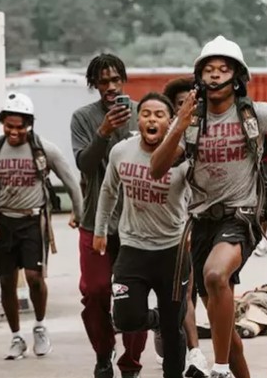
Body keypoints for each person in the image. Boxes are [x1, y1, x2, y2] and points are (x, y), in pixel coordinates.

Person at [150, 35, 267, 378]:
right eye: (208, 69)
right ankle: (233, 366)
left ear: (237, 76)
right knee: (228, 332)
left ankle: (220, 369)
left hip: (241, 215)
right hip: (201, 221)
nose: (214, 75)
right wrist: (178, 124)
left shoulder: (253, 114)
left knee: (214, 274)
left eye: (223, 69)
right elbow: (156, 169)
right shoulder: (191, 122)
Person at [0, 92, 83, 360]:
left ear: (29, 124)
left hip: (33, 221)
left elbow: (70, 181)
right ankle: (16, 337)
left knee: (34, 279)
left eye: (20, 126)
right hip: (5, 222)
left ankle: (40, 327)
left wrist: (78, 212)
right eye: (9, 126)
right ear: (2, 123)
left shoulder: (44, 150)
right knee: (7, 282)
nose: (14, 131)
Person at [95, 92, 190, 378]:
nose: (152, 119)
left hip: (172, 252)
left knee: (174, 332)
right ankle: (158, 319)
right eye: (146, 113)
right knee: (126, 317)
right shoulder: (121, 151)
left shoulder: (183, 157)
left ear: (171, 122)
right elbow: (109, 191)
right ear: (138, 119)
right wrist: (100, 230)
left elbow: (200, 198)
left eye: (159, 115)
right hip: (133, 248)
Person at [70, 53, 147, 378]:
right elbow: (85, 165)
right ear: (94, 85)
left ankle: (130, 363)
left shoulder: (143, 113)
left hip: (137, 224)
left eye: (117, 80)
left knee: (132, 297)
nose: (112, 87)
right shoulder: (83, 118)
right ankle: (104, 353)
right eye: (104, 82)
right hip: (94, 222)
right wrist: (103, 132)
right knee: (96, 291)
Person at [162, 77, 210, 377]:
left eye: (190, 103)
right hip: (169, 226)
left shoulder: (209, 134)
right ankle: (190, 348)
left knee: (195, 290)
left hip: (204, 221)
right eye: (179, 104)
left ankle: (196, 354)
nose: (187, 109)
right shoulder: (167, 145)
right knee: (180, 293)